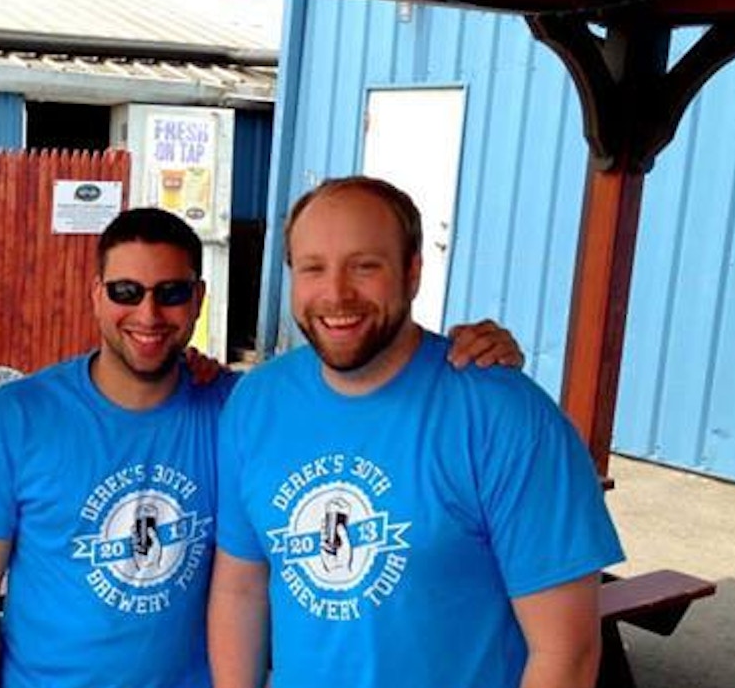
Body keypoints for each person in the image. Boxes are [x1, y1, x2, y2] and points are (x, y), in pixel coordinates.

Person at [0, 207, 525, 688]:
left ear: (198, 299)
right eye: (127, 291)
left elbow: (360, 403)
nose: (148, 313)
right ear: (97, 295)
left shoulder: (241, 409)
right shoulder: (16, 416)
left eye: (171, 293)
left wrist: (465, 354)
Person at [208, 177, 624, 688]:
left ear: (413, 272)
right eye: (314, 268)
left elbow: (567, 652)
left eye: (365, 266)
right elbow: (240, 588)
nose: (336, 293)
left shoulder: (505, 415)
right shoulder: (256, 403)